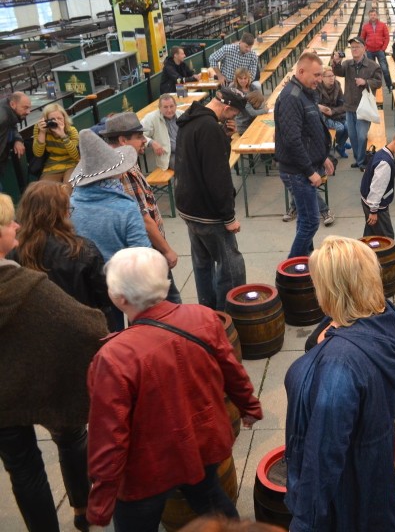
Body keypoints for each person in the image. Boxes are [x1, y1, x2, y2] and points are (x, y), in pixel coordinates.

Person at [86, 247, 263, 531]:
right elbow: (233, 372)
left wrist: (99, 505)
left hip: (147, 468)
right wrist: (249, 406)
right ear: (166, 283)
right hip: (200, 443)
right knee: (210, 498)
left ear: (119, 298)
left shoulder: (113, 357)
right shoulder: (203, 318)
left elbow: (109, 437)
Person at [284, 236, 395, 531]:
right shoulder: (385, 317)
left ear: (332, 289)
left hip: (345, 493)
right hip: (374, 471)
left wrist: (304, 522)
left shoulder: (339, 366)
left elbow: (324, 453)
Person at [0, 191, 108, 532]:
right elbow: (88, 324)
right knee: (71, 438)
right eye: (7, 222)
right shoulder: (23, 284)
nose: (15, 224)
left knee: (23, 470)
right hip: (50, 378)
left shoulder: (24, 260)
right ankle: (82, 509)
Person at [69, 129, 150, 330]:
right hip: (121, 288)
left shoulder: (70, 206)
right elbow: (143, 253)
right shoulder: (125, 208)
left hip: (84, 288)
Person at [175, 88, 247, 310]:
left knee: (202, 264)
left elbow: (203, 160)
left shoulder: (189, 120)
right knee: (230, 267)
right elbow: (218, 176)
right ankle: (227, 316)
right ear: (225, 108)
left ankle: (207, 311)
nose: (234, 118)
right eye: (234, 113)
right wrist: (228, 216)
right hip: (209, 214)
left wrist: (225, 137)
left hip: (189, 208)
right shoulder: (209, 128)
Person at [103, 112, 182, 304]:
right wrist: (166, 250)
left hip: (139, 254)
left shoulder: (122, 161)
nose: (143, 141)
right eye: (139, 137)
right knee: (169, 302)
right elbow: (144, 219)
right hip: (148, 252)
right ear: (123, 140)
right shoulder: (123, 169)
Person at [12, 180, 111, 312]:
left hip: (34, 327)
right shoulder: (82, 250)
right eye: (67, 209)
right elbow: (104, 296)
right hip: (85, 326)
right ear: (61, 213)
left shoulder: (13, 250)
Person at [275, 52, 336, 257]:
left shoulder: (306, 94)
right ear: (301, 71)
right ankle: (291, 271)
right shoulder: (292, 98)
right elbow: (292, 140)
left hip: (306, 166)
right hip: (298, 171)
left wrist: (323, 156)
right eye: (316, 75)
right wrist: (310, 171)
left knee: (304, 219)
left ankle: (304, 263)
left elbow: (311, 131)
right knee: (310, 223)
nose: (319, 80)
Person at [332, 36, 383, 170]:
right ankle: (359, 159)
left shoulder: (373, 66)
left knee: (361, 136)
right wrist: (336, 62)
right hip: (349, 106)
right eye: (352, 47)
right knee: (353, 137)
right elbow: (338, 72)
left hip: (364, 107)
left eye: (357, 47)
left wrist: (366, 82)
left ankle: (361, 161)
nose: (354, 49)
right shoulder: (347, 64)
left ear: (364, 48)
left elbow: (378, 82)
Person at [361, 129, 395, 242]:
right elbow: (377, 188)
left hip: (369, 202)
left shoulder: (382, 153)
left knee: (370, 234)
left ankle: (365, 257)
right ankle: (383, 259)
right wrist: (373, 211)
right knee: (387, 238)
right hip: (376, 207)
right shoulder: (385, 163)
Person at [32, 104, 79, 183]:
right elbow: (38, 154)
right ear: (45, 120)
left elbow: (76, 155)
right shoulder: (40, 129)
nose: (56, 121)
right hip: (52, 165)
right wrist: (42, 133)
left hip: (71, 163)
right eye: (52, 119)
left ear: (64, 118)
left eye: (59, 118)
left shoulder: (71, 131)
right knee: (45, 188)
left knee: (69, 186)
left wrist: (63, 135)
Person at [141, 94, 183, 171]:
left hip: (186, 151)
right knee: (186, 165)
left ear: (176, 106)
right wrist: (152, 143)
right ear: (159, 108)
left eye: (171, 106)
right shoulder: (151, 118)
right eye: (165, 107)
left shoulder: (182, 115)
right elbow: (140, 135)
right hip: (169, 155)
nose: (169, 110)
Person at [0, 92, 31, 192]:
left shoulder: (9, 111)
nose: (29, 111)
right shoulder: (2, 117)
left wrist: (17, 139)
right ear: (13, 104)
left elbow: (12, 126)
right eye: (25, 108)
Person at [317, 66, 349, 158]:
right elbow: (316, 105)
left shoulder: (337, 85)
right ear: (322, 78)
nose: (332, 78)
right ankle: (340, 144)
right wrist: (325, 110)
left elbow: (343, 104)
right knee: (340, 128)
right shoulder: (317, 88)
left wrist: (333, 111)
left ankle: (340, 145)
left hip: (335, 113)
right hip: (323, 116)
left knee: (348, 126)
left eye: (333, 75)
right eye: (329, 76)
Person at [360, 9, 393, 89]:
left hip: (380, 50)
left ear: (377, 16)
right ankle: (373, 85)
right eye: (371, 15)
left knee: (384, 68)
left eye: (374, 15)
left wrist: (383, 48)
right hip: (370, 51)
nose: (373, 16)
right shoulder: (366, 26)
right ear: (369, 16)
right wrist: (366, 48)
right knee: (371, 69)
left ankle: (389, 85)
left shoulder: (382, 25)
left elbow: (387, 37)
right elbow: (362, 39)